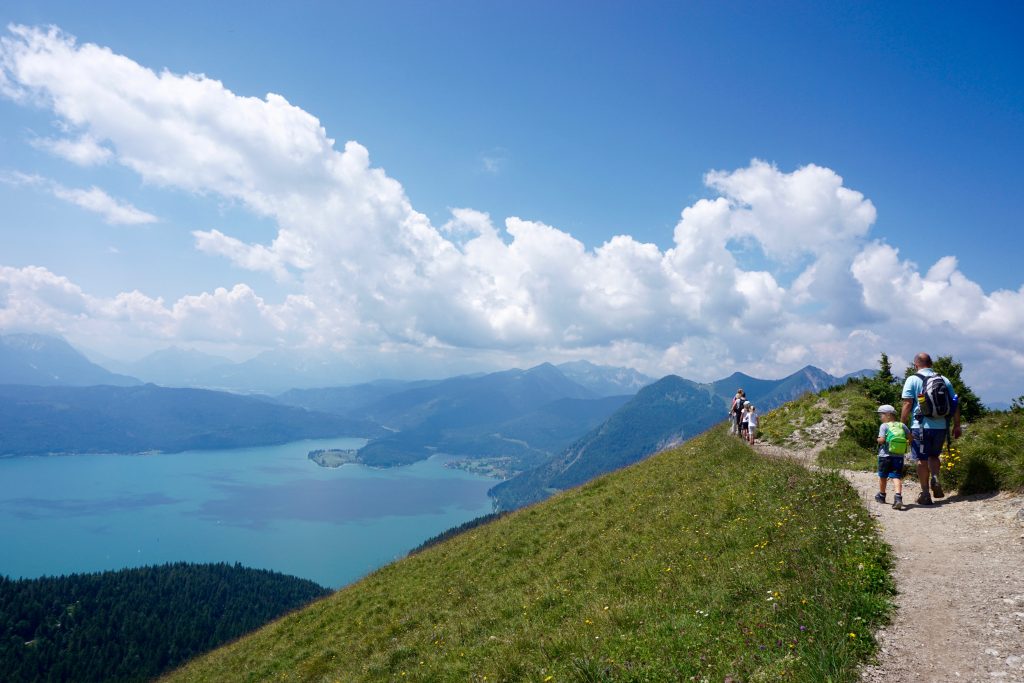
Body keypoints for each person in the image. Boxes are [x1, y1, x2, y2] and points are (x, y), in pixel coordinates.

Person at [900, 353, 962, 506]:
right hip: (941, 426)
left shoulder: (912, 379)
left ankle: (925, 493)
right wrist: (957, 425)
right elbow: (955, 404)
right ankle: (935, 477)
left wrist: (902, 424)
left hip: (920, 426)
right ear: (931, 363)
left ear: (916, 365)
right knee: (934, 456)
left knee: (921, 460)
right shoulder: (943, 379)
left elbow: (907, 404)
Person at [875, 404, 907, 510]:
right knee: (896, 476)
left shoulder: (884, 426)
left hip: (885, 456)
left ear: (888, 415)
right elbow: (910, 437)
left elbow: (882, 440)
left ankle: (882, 496)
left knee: (883, 476)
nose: (880, 417)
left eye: (881, 415)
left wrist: (878, 439)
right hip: (899, 456)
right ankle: (898, 497)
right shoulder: (902, 425)